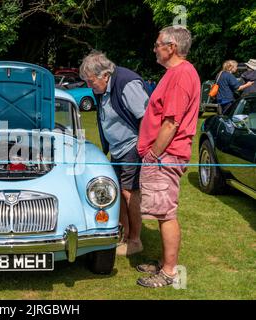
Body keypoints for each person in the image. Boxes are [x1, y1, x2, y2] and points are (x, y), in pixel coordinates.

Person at [136, 26, 200, 288]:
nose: (154, 49)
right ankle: (164, 263)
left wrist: (153, 154)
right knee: (163, 212)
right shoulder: (175, 73)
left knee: (166, 214)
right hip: (164, 156)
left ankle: (170, 272)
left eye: (157, 44)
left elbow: (171, 123)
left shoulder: (181, 74)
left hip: (165, 156)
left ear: (171, 47)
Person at [79, 51, 149, 256]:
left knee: (130, 193)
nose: (89, 86)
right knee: (116, 192)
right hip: (118, 148)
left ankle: (135, 240)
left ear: (105, 75)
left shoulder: (127, 83)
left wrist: (142, 148)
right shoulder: (103, 87)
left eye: (91, 81)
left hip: (132, 146)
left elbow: (147, 118)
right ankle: (124, 235)